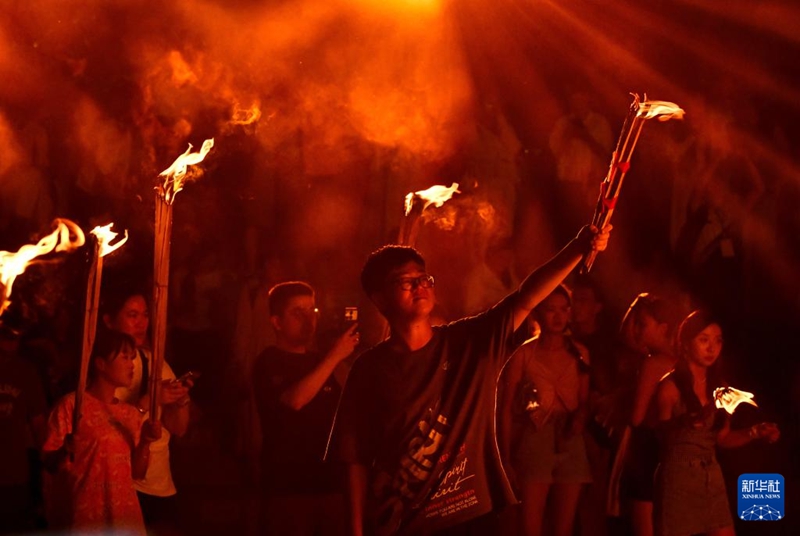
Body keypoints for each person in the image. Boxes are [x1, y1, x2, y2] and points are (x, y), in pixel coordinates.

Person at [328, 224, 611, 536]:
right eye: (405, 282)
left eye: (423, 278)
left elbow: (526, 298)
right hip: (405, 524)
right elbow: (354, 458)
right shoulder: (369, 369)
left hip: (473, 517)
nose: (420, 285)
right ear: (379, 298)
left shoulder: (469, 341)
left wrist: (578, 245)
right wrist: (355, 530)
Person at [653, 310, 779, 536]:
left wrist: (754, 432)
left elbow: (721, 439)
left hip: (711, 476)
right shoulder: (670, 387)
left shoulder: (720, 389)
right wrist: (685, 423)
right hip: (679, 478)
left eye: (717, 341)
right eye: (704, 340)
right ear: (685, 343)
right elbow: (659, 438)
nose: (712, 348)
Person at [253, 281, 358, 536]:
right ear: (276, 322)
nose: (308, 319)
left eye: (311, 311)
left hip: (330, 486)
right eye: (297, 312)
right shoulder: (269, 360)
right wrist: (334, 357)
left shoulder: (321, 360)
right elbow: (295, 400)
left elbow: (354, 401)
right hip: (289, 490)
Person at [41, 329, 161, 534]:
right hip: (86, 517)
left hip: (124, 516)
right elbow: (49, 463)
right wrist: (65, 449)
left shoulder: (130, 414)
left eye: (132, 358)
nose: (131, 364)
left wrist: (146, 442)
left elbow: (137, 473)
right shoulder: (72, 406)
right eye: (124, 357)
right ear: (100, 363)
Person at [499, 285, 592, 536]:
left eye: (564, 309)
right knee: (530, 526)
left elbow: (584, 400)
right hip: (535, 437)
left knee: (564, 528)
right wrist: (505, 459)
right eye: (551, 309)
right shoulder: (524, 354)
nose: (558, 316)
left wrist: (580, 418)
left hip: (570, 440)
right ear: (537, 313)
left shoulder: (579, 353)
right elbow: (505, 408)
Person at [102, 289, 192, 532]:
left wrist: (179, 400)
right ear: (109, 321)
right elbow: (103, 429)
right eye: (132, 315)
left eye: (144, 315)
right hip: (122, 486)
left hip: (160, 484)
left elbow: (179, 428)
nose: (141, 322)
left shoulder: (157, 362)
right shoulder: (99, 369)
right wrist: (147, 400)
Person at [617, 294, 679, 536]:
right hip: (671, 453)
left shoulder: (653, 364)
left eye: (642, 324)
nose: (636, 329)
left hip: (646, 451)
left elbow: (637, 418)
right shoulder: (683, 360)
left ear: (663, 328)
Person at [0, 321, 48, 533]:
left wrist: (49, 462)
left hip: (14, 474)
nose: (9, 343)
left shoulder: (26, 372)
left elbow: (38, 425)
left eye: (14, 337)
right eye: (5, 336)